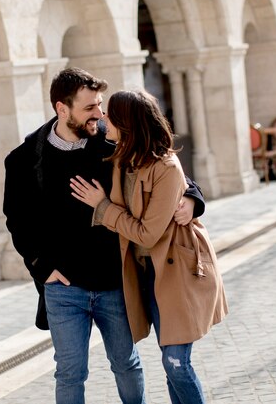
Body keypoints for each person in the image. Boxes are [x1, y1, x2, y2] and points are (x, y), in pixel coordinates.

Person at [2, 67, 205, 404]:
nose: (99, 114)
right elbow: (17, 220)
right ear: (61, 109)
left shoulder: (112, 144)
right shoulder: (25, 160)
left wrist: (192, 199)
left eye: (99, 104)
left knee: (126, 364)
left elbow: (162, 168)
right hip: (63, 288)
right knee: (70, 373)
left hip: (115, 282)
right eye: (90, 108)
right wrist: (41, 266)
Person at [69, 89, 228, 404]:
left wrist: (103, 207)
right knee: (171, 365)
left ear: (127, 124)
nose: (102, 119)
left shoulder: (165, 166)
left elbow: (147, 234)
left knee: (176, 363)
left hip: (179, 273)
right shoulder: (120, 156)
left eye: (110, 115)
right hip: (147, 276)